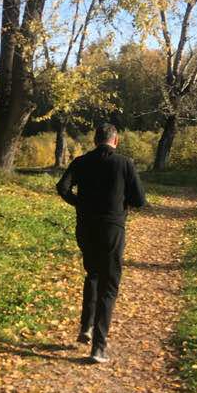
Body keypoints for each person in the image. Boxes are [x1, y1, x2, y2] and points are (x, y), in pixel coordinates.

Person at [56, 123, 146, 363]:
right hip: (112, 228)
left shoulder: (81, 162)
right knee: (109, 283)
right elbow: (139, 200)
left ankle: (86, 327)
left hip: (86, 227)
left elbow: (62, 187)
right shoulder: (125, 163)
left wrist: (79, 203)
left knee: (93, 273)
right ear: (115, 141)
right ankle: (98, 347)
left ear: (95, 140)